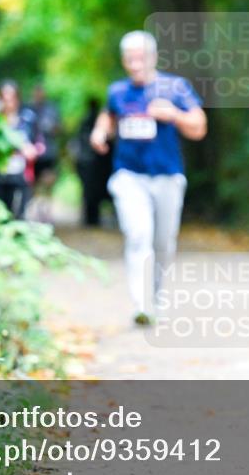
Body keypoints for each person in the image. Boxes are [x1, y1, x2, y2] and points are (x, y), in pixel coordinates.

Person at [90, 30, 208, 326]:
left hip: (167, 176)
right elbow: (109, 116)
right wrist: (99, 132)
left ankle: (156, 297)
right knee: (137, 234)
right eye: (130, 59)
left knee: (163, 242)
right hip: (129, 176)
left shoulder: (174, 87)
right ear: (124, 61)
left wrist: (173, 115)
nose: (135, 64)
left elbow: (199, 126)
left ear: (153, 58)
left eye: (140, 58)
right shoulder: (118, 91)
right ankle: (141, 304)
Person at [0, 80, 38, 219]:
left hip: (20, 174)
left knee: (18, 215)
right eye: (4, 97)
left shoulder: (27, 119)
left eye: (11, 97)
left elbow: (36, 143)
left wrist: (30, 150)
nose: (8, 101)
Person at [73, 98, 113, 227]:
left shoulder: (89, 121)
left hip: (90, 162)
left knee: (90, 193)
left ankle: (91, 219)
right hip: (94, 162)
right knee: (93, 192)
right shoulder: (93, 121)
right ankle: (92, 219)